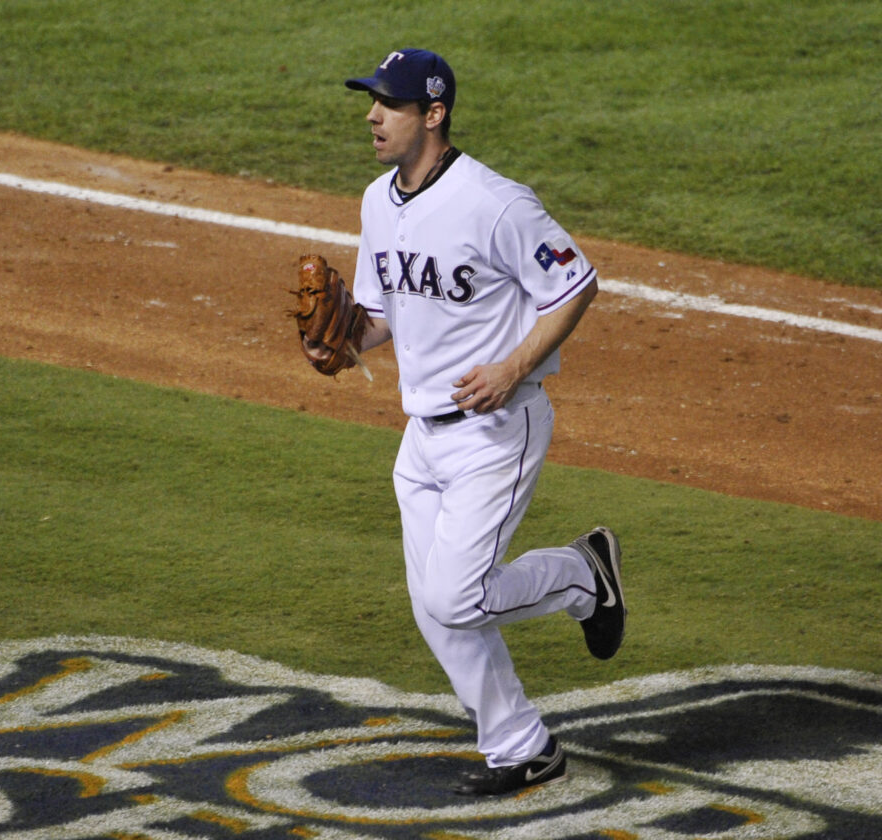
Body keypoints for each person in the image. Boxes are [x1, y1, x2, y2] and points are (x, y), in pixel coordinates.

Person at [305, 48, 627, 796]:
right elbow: (381, 313)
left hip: (497, 431)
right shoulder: (377, 202)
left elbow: (575, 284)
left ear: (434, 113)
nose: (371, 115)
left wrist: (513, 367)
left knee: (457, 596)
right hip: (421, 438)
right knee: (437, 612)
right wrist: (344, 340)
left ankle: (586, 575)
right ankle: (522, 747)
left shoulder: (496, 203)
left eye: (388, 103)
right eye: (371, 101)